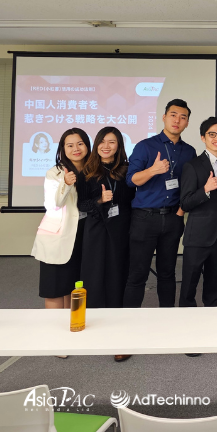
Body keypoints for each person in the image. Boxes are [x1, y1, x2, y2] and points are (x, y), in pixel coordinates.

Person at [123, 99, 195, 312]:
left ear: (187, 123)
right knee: (138, 274)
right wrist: (152, 170)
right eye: (173, 115)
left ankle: (167, 319)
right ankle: (128, 321)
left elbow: (189, 186)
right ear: (164, 117)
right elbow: (131, 180)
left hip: (173, 218)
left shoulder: (189, 152)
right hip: (144, 219)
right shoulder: (145, 146)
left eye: (183, 117)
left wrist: (180, 211)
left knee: (168, 273)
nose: (177, 120)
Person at [179, 117, 217, 309]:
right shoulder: (192, 165)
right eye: (212, 134)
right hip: (197, 236)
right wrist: (205, 190)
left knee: (214, 286)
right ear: (203, 137)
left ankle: (211, 319)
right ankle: (187, 321)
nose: (216, 138)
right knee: (189, 286)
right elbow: (185, 202)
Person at [32, 128, 91, 316]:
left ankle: (72, 325)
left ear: (87, 145)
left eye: (80, 144)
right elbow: (53, 204)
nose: (76, 149)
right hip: (59, 235)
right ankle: (53, 327)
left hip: (84, 232)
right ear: (62, 149)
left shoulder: (92, 170)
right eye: (70, 145)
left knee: (73, 286)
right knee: (54, 287)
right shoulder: (55, 173)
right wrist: (65, 183)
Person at [78, 127, 134, 311]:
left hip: (121, 226)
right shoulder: (87, 170)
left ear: (119, 145)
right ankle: (93, 311)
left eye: (112, 142)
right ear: (96, 144)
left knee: (117, 269)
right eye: (102, 141)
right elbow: (81, 204)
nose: (106, 146)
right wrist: (100, 200)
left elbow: (132, 199)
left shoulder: (127, 170)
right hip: (97, 227)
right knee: (95, 270)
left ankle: (116, 310)